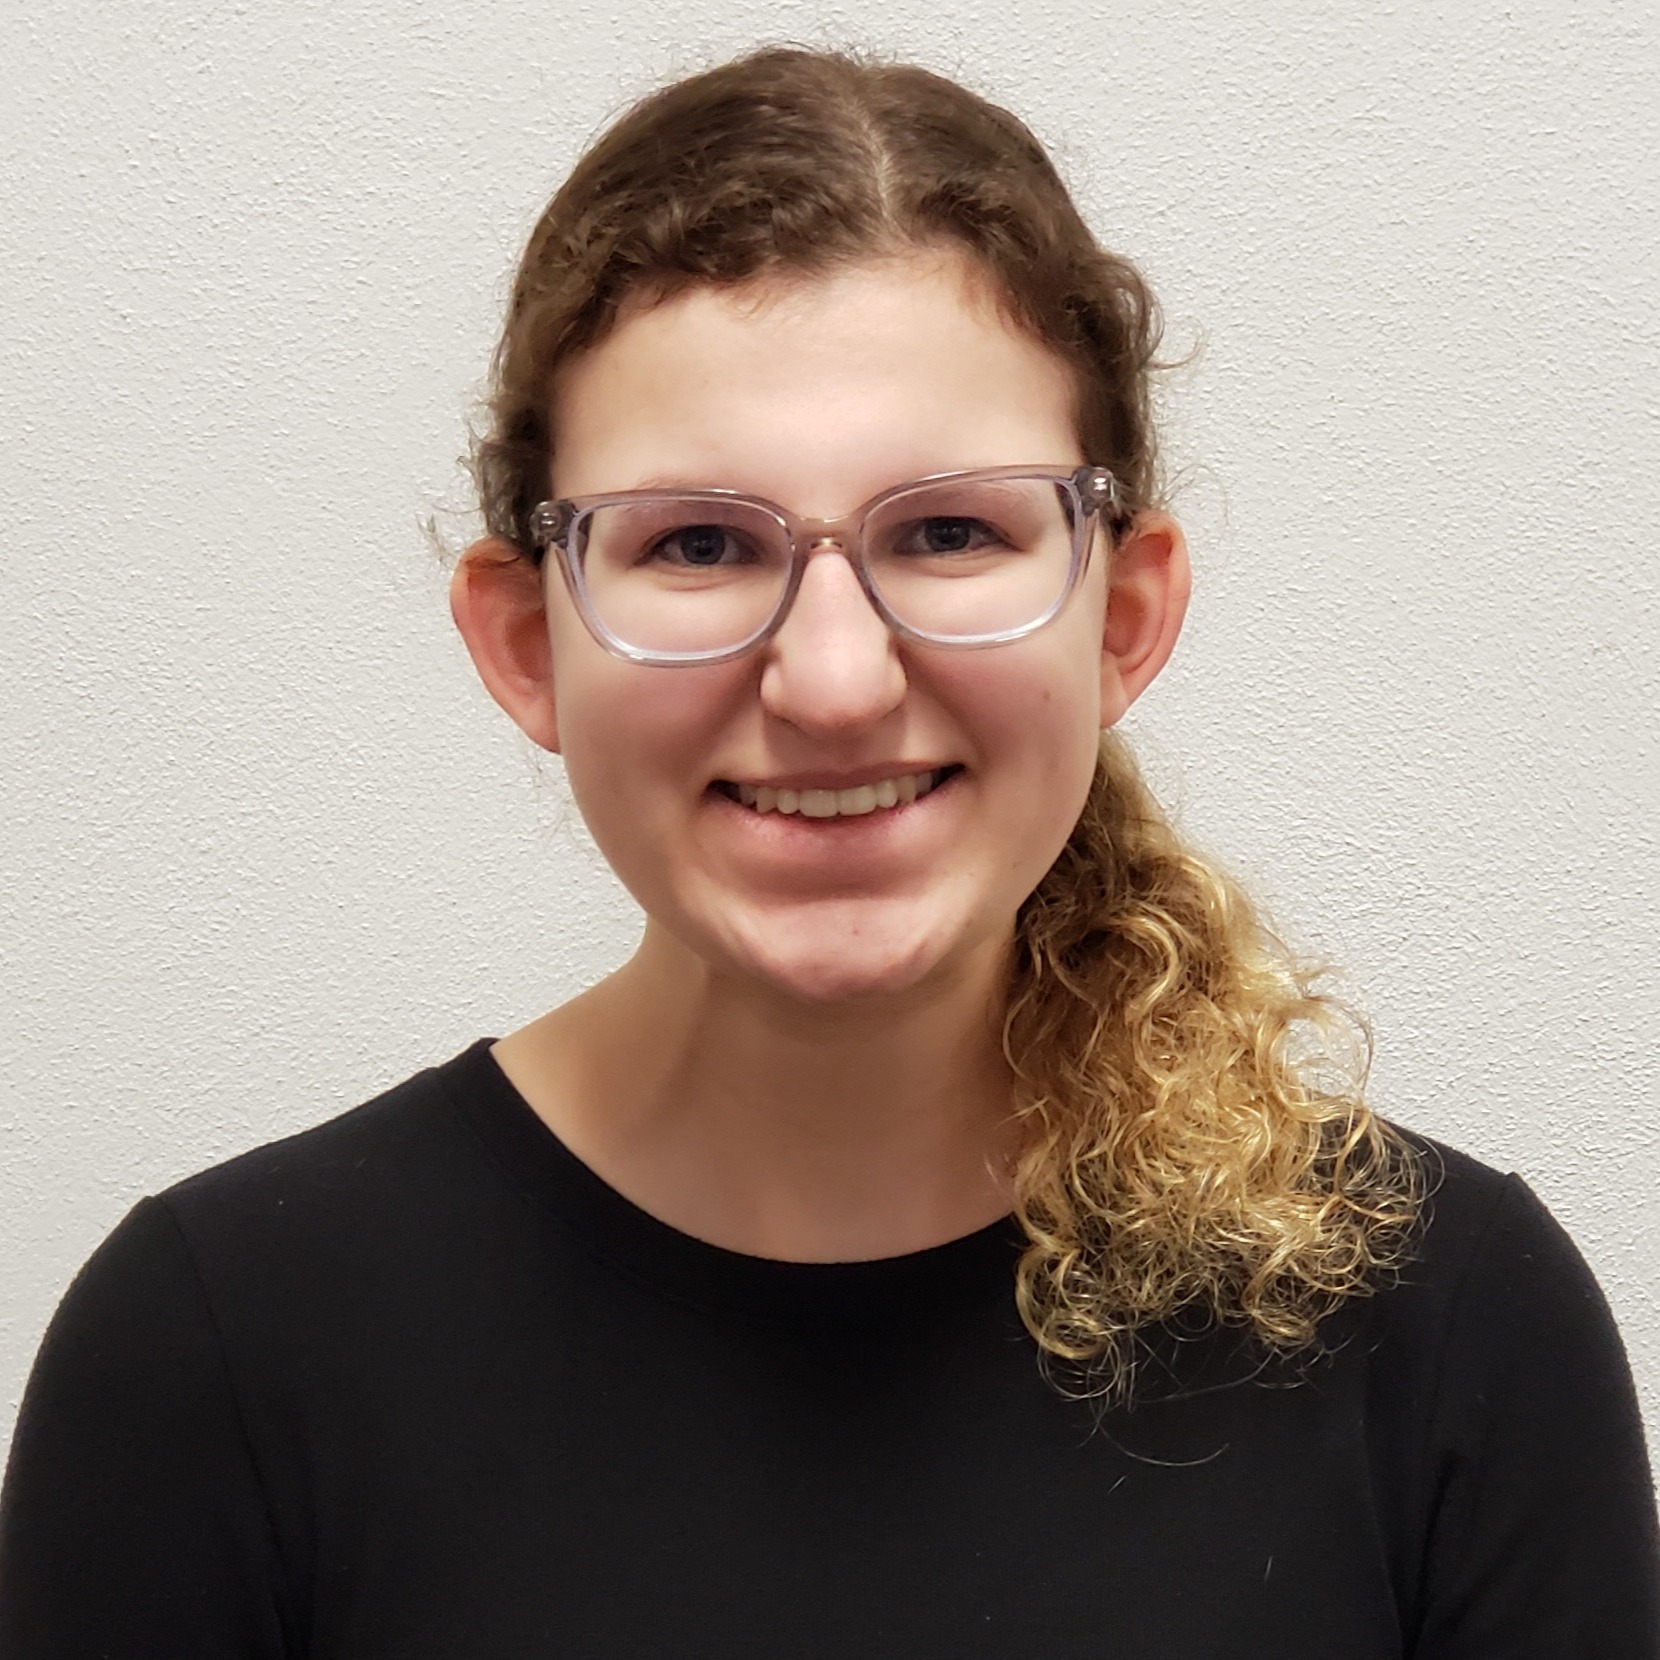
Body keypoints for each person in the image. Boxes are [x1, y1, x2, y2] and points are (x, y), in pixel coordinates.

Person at [1, 42, 1655, 1659]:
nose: (837, 681)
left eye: (949, 532)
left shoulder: (1446, 1328)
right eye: (700, 544)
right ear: (525, 645)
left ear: (1124, 614)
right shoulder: (219, 1355)